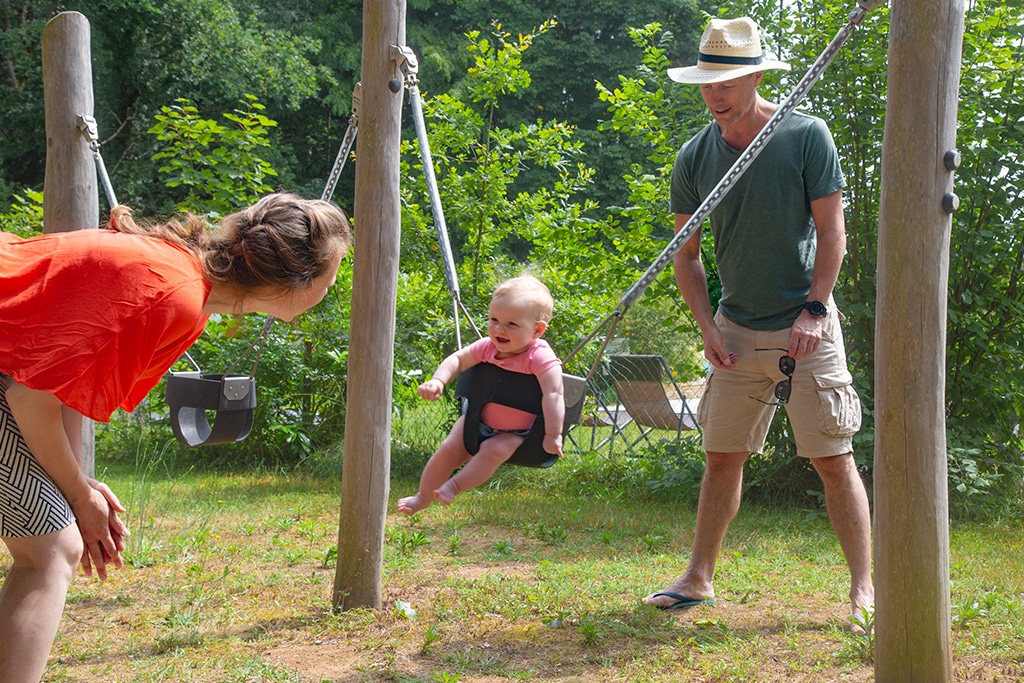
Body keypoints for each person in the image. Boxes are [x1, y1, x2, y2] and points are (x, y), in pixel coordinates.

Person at [0, 192, 352, 682]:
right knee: (50, 553)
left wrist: (79, 481)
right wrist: (79, 496)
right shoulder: (175, 297)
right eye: (331, 278)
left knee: (49, 547)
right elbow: (31, 398)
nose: (332, 288)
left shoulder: (188, 283)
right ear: (295, 282)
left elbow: (69, 389)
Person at [640, 17, 874, 633]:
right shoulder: (693, 157)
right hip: (735, 330)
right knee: (721, 458)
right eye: (707, 82)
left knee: (834, 460)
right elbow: (684, 259)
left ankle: (863, 589)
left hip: (807, 325)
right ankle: (698, 579)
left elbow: (832, 232)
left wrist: (817, 307)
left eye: (728, 80)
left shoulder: (803, 136)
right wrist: (707, 329)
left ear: (758, 75)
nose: (715, 93)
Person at [397, 275, 565, 515]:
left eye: (512, 324)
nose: (499, 329)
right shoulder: (487, 347)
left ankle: (454, 486)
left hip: (515, 434)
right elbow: (457, 359)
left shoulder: (539, 357)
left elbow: (554, 394)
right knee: (447, 450)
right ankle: (422, 497)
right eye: (494, 319)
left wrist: (553, 435)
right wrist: (438, 380)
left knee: (492, 452)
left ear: (537, 330)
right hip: (476, 421)